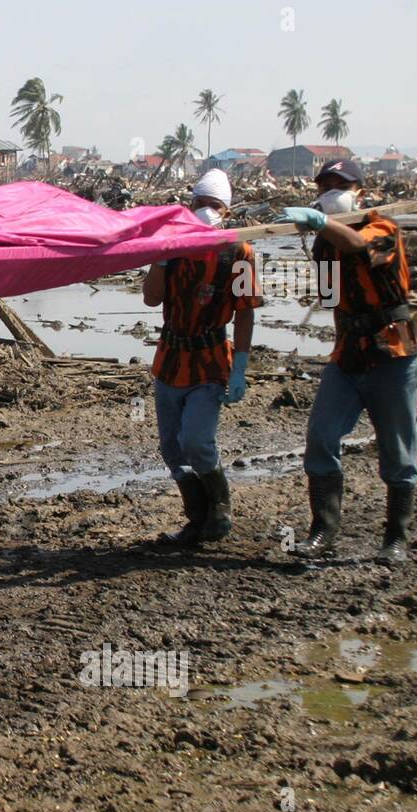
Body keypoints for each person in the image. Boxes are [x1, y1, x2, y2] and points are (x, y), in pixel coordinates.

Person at [279, 158, 417, 564]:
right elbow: (327, 296)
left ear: (360, 189)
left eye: (340, 184)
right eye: (325, 186)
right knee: (321, 435)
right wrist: (318, 237)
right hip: (347, 352)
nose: (331, 192)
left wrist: (322, 225)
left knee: (396, 448)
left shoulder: (383, 228)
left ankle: (396, 538)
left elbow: (359, 246)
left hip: (392, 351)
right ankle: (323, 530)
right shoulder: (324, 242)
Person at [143, 169, 260, 546]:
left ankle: (221, 507)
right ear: (189, 206)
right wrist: (161, 257)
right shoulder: (173, 246)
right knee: (172, 448)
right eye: (199, 204)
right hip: (170, 358)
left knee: (196, 440)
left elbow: (245, 311)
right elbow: (151, 298)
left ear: (226, 211)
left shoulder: (239, 252)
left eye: (214, 206)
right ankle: (197, 518)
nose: (205, 212)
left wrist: (241, 366)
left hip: (209, 360)